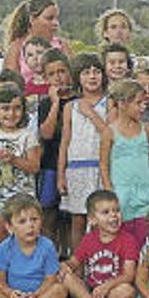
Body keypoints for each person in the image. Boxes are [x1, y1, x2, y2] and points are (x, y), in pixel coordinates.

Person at [0, 194, 67, 298]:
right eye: (22, 221)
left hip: (39, 296)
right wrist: (10, 293)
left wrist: (35, 295)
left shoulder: (47, 246)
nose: (30, 225)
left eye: (34, 219)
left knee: (59, 290)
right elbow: (1, 282)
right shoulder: (4, 248)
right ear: (10, 227)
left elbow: (50, 280)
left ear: (41, 221)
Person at [57, 190, 137, 298]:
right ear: (92, 220)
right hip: (91, 291)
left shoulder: (128, 240)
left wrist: (107, 286)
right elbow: (74, 262)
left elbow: (129, 275)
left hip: (114, 291)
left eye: (116, 210)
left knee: (127, 290)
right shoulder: (89, 239)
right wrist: (65, 265)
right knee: (67, 278)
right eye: (106, 212)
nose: (113, 215)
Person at [0, 84, 41, 249]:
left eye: (17, 108)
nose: (11, 114)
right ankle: (2, 274)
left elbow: (34, 166)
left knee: (26, 242)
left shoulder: (28, 134)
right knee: (0, 243)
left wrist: (13, 159)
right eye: (5, 109)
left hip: (23, 199)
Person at [58, 54, 108, 252]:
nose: (92, 76)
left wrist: (91, 113)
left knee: (101, 218)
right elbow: (65, 141)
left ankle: (99, 264)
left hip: (100, 167)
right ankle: (77, 264)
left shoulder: (109, 103)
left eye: (96, 71)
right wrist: (61, 174)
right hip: (76, 169)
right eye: (86, 73)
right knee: (77, 219)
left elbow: (108, 133)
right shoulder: (70, 106)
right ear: (78, 77)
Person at [100, 80, 149, 246]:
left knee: (145, 237)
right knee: (122, 239)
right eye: (138, 103)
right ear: (122, 104)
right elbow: (104, 165)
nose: (143, 107)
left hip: (145, 192)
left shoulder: (148, 129)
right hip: (120, 194)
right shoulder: (109, 132)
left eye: (144, 103)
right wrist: (109, 192)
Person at [37, 49, 74, 245]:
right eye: (52, 74)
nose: (58, 77)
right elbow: (46, 133)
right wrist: (55, 103)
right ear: (45, 78)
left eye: (62, 71)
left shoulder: (79, 101)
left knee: (71, 217)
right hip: (50, 164)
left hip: (74, 163)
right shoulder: (45, 104)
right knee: (48, 214)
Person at [3, 0, 71, 83]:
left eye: (56, 18)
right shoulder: (16, 47)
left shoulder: (62, 45)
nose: (56, 23)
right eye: (49, 18)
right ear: (32, 19)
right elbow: (9, 85)